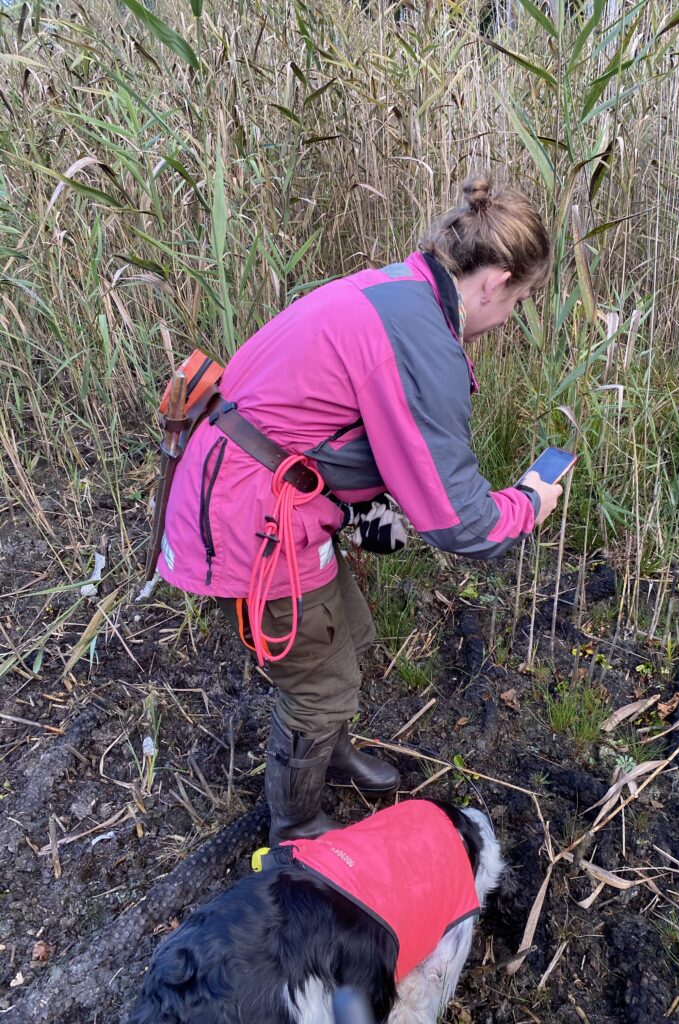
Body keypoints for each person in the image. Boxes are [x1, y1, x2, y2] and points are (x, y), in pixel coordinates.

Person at [157, 174, 562, 844]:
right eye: (518, 300)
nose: (509, 317)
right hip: (253, 520)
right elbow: (462, 524)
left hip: (265, 495)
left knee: (345, 629)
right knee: (316, 683)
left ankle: (332, 756)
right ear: (493, 280)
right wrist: (526, 504)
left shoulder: (399, 292)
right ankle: (295, 827)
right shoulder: (422, 338)